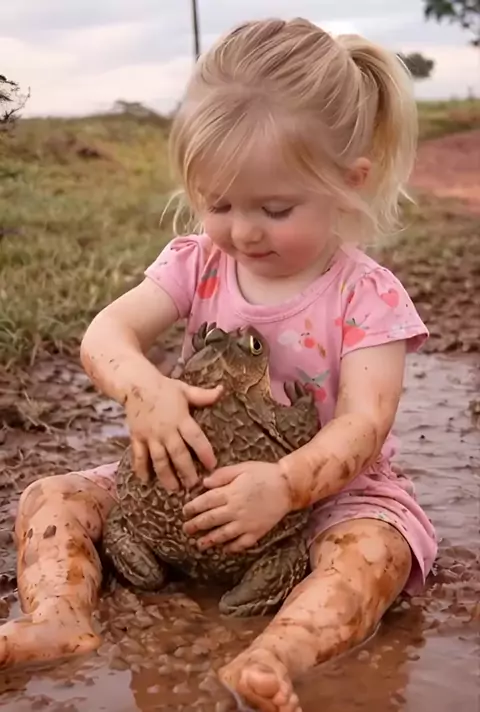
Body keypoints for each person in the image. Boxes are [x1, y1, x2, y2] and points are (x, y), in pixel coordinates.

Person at [0, 17, 437, 712]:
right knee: (49, 496)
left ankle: (277, 654)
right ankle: (59, 617)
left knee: (374, 551)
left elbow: (364, 424)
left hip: (321, 500)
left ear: (348, 183)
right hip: (177, 486)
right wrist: (143, 390)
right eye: (219, 203)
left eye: (276, 207)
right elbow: (107, 333)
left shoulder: (366, 295)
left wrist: (286, 486)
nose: (243, 230)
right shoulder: (196, 262)